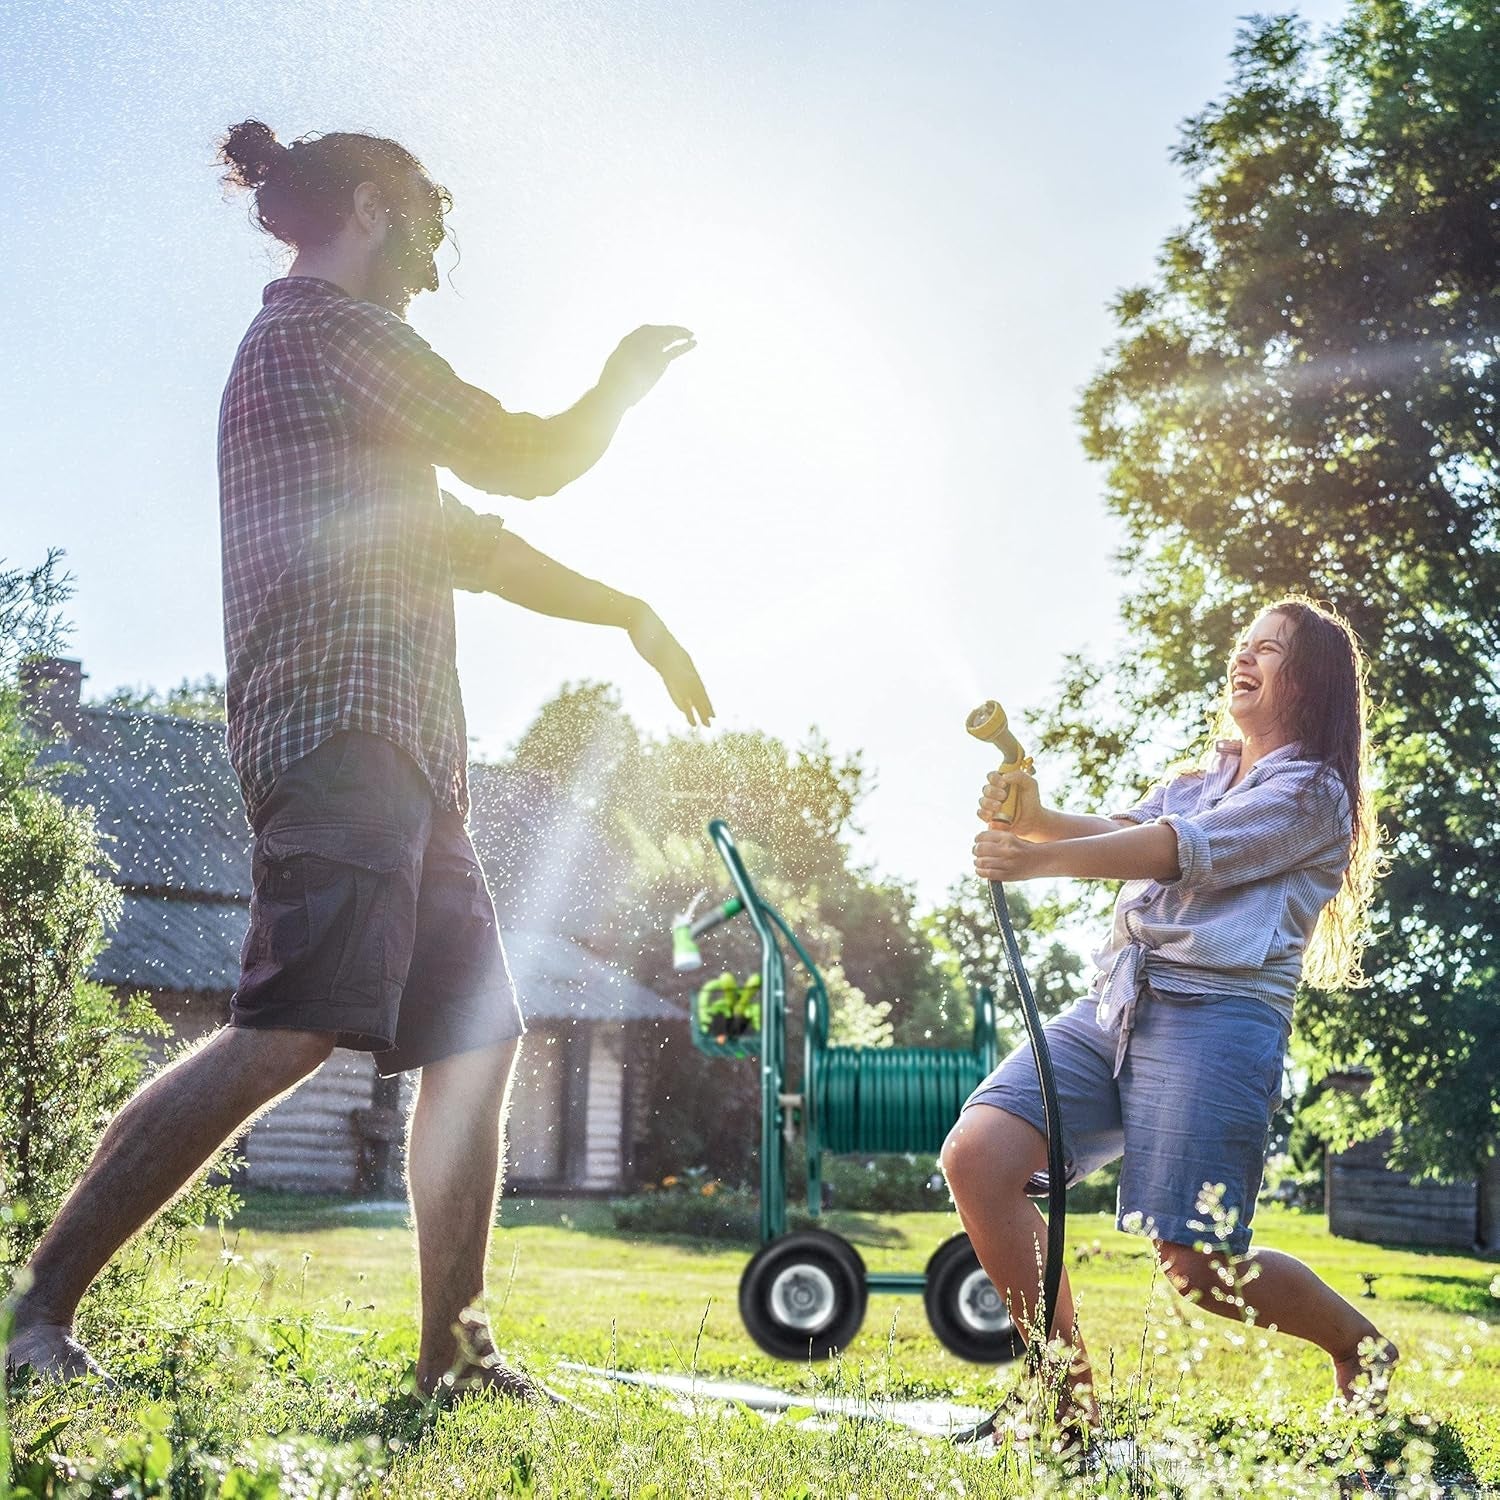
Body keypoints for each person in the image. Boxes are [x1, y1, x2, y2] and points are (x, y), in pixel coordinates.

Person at [4, 120, 712, 1401]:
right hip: (339, 741)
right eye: (430, 237)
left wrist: (632, 616)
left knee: (477, 1044)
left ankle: (454, 1357)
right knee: (291, 1028)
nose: (434, 272)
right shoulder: (325, 339)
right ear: (377, 207)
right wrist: (616, 388)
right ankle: (34, 1318)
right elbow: (522, 454)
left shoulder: (344, 400)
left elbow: (483, 544)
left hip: (408, 765)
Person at [942, 596, 1397, 1438]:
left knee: (1198, 1270)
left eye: (1271, 650)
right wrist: (1035, 819)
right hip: (1121, 998)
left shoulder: (1314, 793)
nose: (1246, 657)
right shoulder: (1204, 774)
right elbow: (1134, 827)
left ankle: (1359, 1345)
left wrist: (1036, 862)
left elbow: (1178, 850)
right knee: (979, 1156)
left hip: (1218, 1021)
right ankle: (1066, 1398)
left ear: (1313, 683)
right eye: (1245, 644)